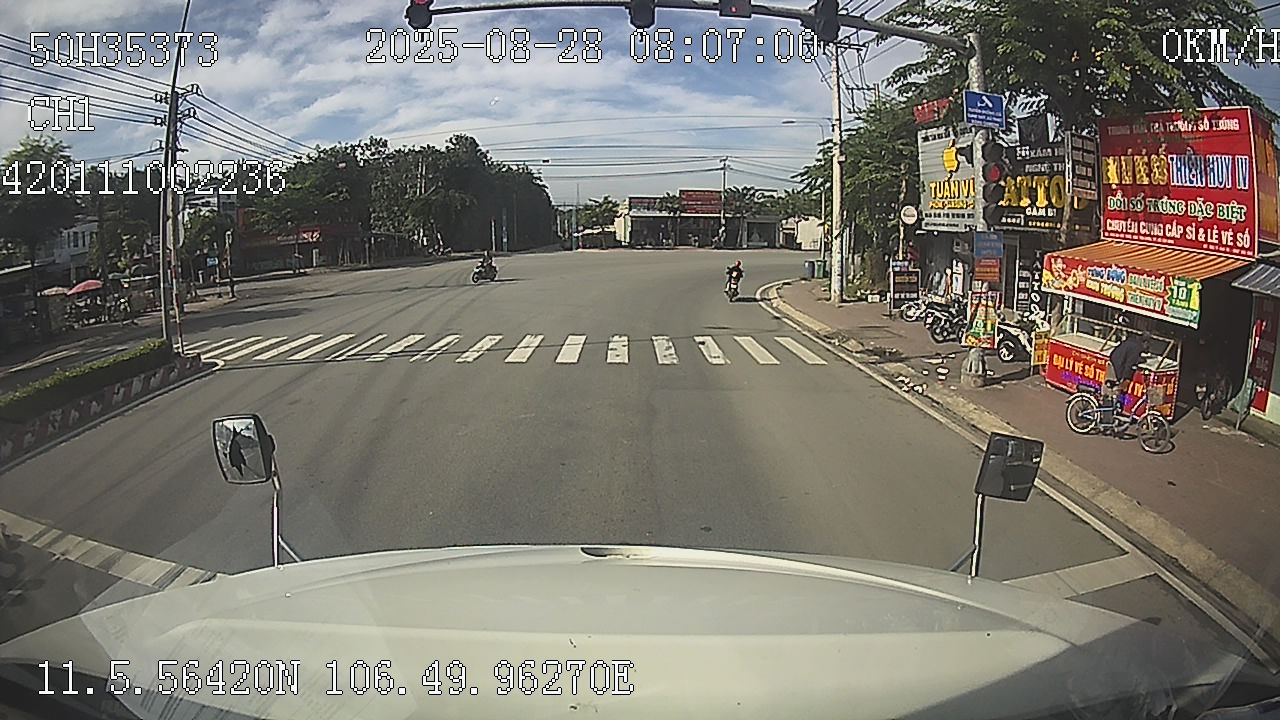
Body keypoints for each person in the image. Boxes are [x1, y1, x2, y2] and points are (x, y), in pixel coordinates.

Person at [1106, 332, 1149, 398]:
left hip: (1113, 363)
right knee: (1117, 392)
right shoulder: (1137, 348)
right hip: (1116, 367)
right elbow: (1130, 364)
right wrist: (1127, 379)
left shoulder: (1132, 342)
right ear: (1145, 342)